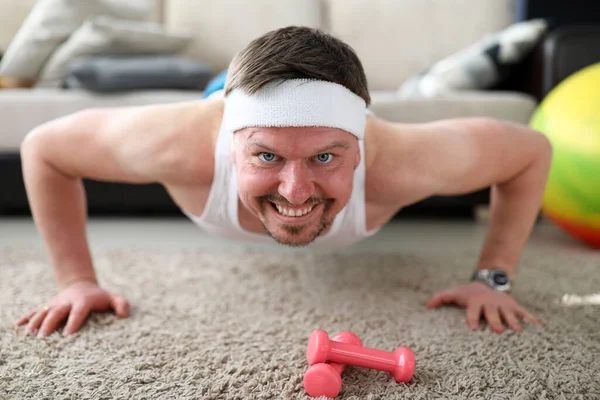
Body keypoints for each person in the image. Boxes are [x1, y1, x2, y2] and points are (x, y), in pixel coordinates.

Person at [15, 26, 550, 338]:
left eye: (324, 157)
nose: (295, 192)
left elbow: (531, 153)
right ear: (229, 146)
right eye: (267, 155)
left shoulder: (407, 161)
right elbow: (45, 149)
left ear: (360, 147)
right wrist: (76, 280)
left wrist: (493, 277)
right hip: (220, 95)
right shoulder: (175, 142)